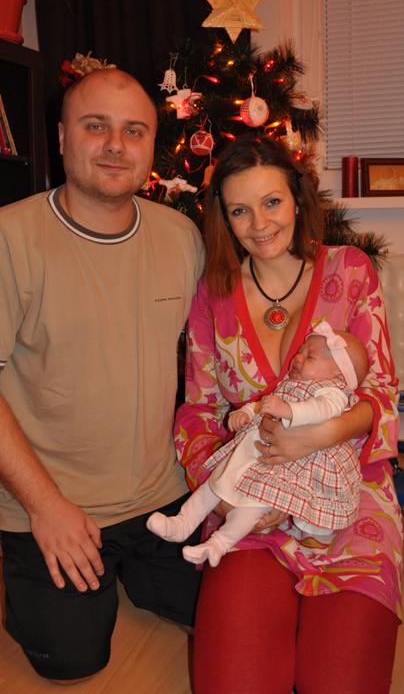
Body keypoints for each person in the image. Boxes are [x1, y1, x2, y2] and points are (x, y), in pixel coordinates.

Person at [174, 133, 403, 694]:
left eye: (272, 202)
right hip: (248, 509)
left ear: (297, 200)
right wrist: (224, 497)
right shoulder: (213, 295)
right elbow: (199, 411)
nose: (259, 224)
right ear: (224, 219)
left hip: (350, 502)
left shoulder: (350, 270)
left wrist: (320, 435)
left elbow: (381, 394)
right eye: (240, 210)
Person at [0, 67, 204, 682]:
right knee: (71, 661)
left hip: (165, 495)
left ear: (151, 146)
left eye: (134, 131)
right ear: (62, 137)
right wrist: (46, 507)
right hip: (54, 502)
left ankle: (132, 573)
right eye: (96, 127)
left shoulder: (181, 236)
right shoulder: (11, 237)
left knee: (221, 615)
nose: (116, 145)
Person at [147, 322, 369, 565]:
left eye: (310, 356)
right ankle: (183, 523)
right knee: (216, 481)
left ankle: (219, 543)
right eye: (300, 351)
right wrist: (246, 412)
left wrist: (288, 410)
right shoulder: (293, 384)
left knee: (254, 504)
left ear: (338, 376)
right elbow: (264, 403)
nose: (297, 358)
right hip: (257, 453)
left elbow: (323, 410)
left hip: (292, 467)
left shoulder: (333, 392)